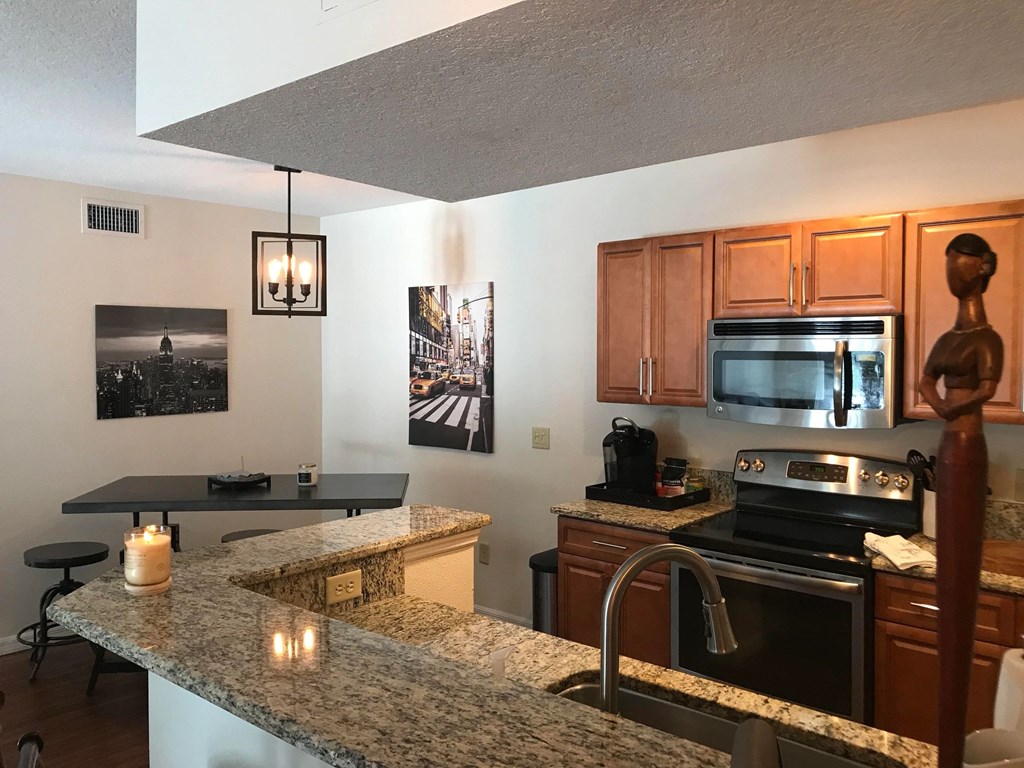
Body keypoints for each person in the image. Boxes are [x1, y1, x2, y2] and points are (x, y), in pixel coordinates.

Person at [918, 233, 1003, 431]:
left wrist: (951, 408)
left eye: (959, 261)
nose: (952, 269)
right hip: (949, 435)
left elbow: (987, 389)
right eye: (950, 263)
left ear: (983, 266)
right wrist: (941, 407)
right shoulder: (946, 339)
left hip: (969, 433)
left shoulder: (987, 339)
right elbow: (926, 382)